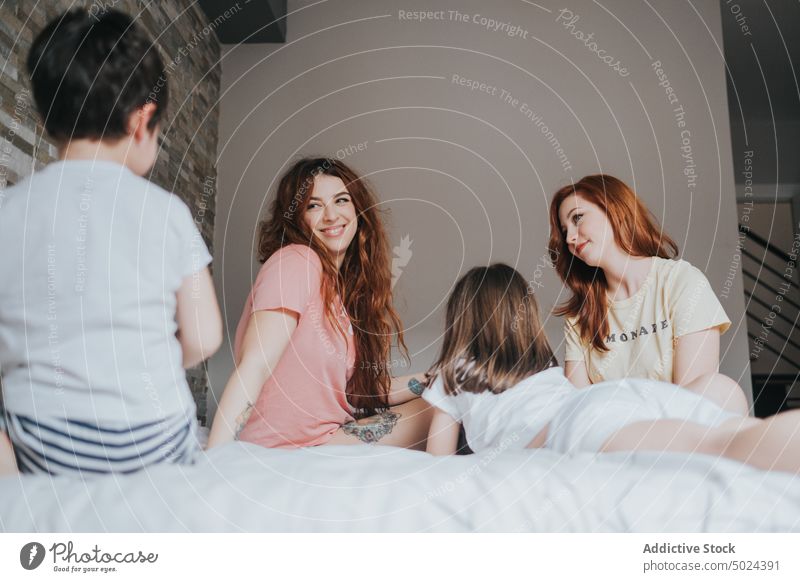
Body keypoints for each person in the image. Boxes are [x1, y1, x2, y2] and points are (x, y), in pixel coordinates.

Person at [0, 9, 222, 476]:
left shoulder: (9, 212)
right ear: (142, 122)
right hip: (153, 435)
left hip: (46, 437)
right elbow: (204, 336)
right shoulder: (166, 213)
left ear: (45, 121)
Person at [423, 264, 800, 477]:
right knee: (731, 426)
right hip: (609, 399)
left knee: (721, 447)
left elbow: (437, 463)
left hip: (574, 426)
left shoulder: (451, 375)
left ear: (460, 319)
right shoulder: (543, 366)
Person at [207, 158, 432, 450]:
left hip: (324, 441)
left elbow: (364, 392)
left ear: (357, 210)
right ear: (296, 218)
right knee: (446, 411)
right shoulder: (297, 260)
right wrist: (214, 459)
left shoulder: (337, 294)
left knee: (446, 402)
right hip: (287, 449)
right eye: (313, 205)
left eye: (341, 200)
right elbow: (256, 363)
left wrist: (434, 378)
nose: (331, 215)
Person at [547, 174, 747, 415]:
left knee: (721, 391)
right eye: (564, 230)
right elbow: (578, 409)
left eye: (577, 218)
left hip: (677, 429)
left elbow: (693, 402)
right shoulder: (580, 317)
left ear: (615, 209)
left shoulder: (682, 281)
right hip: (614, 435)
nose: (569, 238)